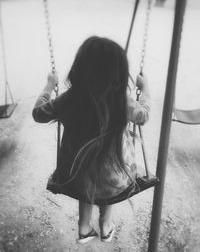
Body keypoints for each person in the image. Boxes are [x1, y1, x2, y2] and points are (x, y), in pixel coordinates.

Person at [32, 36, 150, 243]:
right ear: (119, 74)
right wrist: (145, 89)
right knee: (108, 177)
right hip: (116, 179)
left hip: (75, 177)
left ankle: (84, 228)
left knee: (87, 179)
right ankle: (105, 226)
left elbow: (38, 114)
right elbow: (144, 116)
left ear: (78, 69)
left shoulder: (68, 100)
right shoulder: (122, 101)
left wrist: (49, 86)